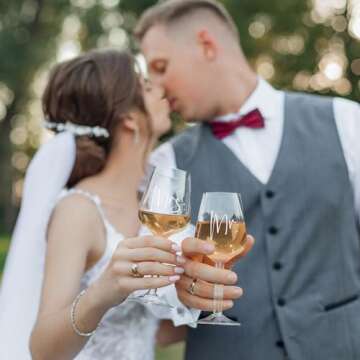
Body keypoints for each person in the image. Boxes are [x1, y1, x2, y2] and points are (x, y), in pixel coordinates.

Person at [135, 1, 360, 359]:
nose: (157, 88)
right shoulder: (166, 163)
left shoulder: (346, 122)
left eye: (161, 68)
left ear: (207, 45)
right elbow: (155, 284)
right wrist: (179, 288)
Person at [0, 49, 214, 360]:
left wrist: (204, 298)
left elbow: (155, 331)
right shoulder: (78, 210)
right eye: (145, 84)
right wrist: (101, 293)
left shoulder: (153, 209)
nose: (160, 88)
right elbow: (43, 350)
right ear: (129, 118)